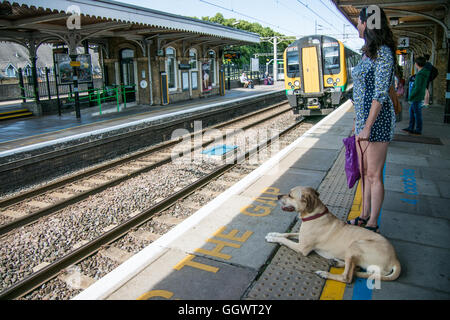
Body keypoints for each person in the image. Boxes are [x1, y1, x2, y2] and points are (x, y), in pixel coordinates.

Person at [347, 6, 397, 233]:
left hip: (377, 123)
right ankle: (364, 215)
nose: (357, 25)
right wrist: (358, 122)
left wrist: (366, 126)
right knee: (365, 173)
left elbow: (379, 93)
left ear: (368, 24)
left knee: (374, 174)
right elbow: (360, 91)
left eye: (359, 21)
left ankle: (373, 222)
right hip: (363, 123)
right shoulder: (368, 52)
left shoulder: (384, 52)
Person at [402, 56, 430, 136]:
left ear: (417, 64)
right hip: (419, 95)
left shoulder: (420, 74)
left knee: (417, 114)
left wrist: (411, 96)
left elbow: (417, 87)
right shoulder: (423, 73)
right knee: (412, 112)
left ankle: (418, 129)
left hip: (417, 96)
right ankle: (411, 127)